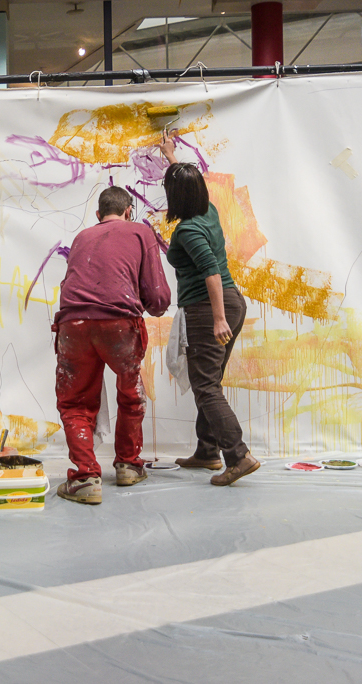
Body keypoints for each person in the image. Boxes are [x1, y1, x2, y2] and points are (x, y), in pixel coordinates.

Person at [53, 186, 170, 505]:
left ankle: (85, 479)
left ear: (98, 215)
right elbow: (158, 298)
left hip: (73, 325)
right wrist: (150, 305)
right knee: (131, 394)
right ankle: (129, 466)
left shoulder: (81, 237)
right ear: (129, 211)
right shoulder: (140, 232)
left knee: (75, 402)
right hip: (120, 325)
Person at [157, 132, 259, 486]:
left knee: (205, 385)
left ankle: (238, 456)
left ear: (175, 197)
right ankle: (207, 451)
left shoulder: (188, 230)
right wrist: (171, 156)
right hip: (231, 302)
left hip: (209, 307)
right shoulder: (208, 211)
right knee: (209, 380)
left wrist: (217, 319)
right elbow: (187, 184)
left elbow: (211, 272)